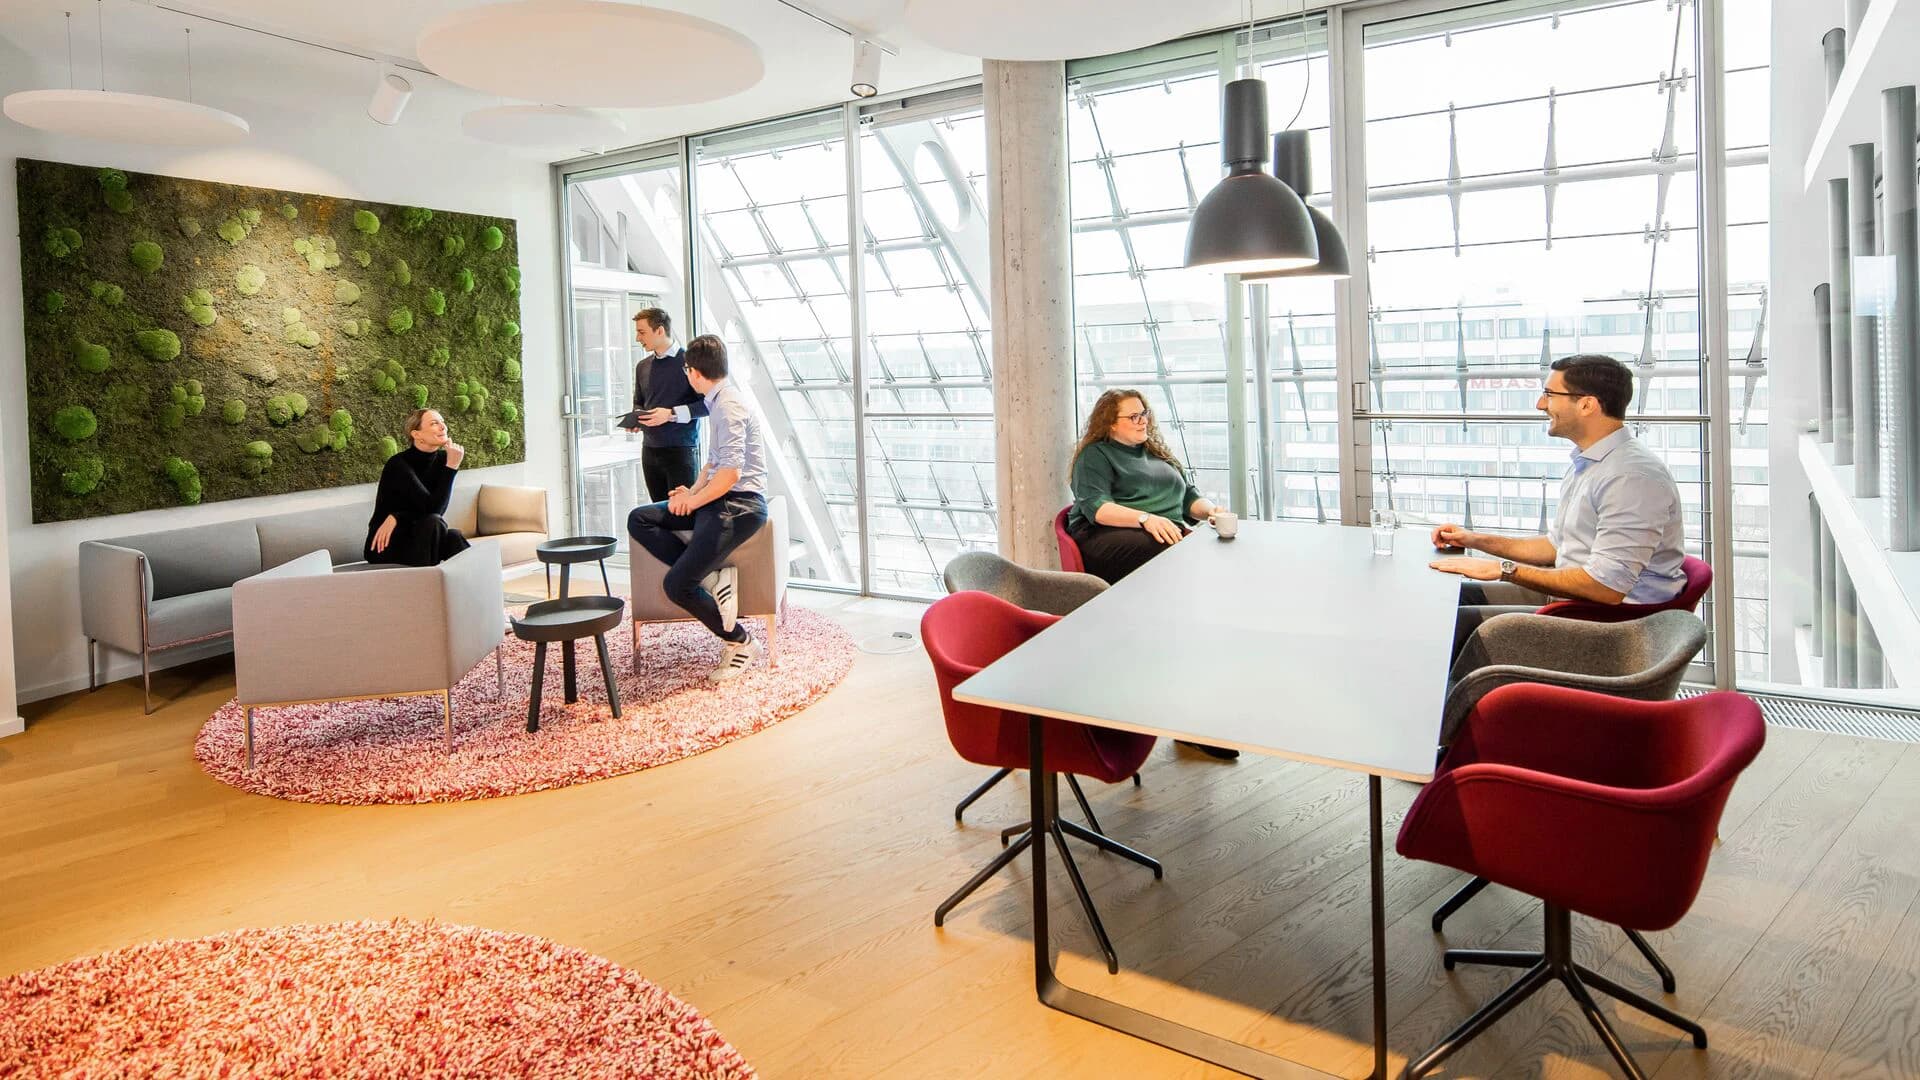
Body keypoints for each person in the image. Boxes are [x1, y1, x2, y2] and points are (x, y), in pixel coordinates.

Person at [1428, 354, 1687, 656]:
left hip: (1611, 626)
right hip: (1574, 599)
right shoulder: (1592, 463)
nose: (1541, 404)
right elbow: (1557, 546)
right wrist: (1473, 540)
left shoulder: (1631, 477)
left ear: (1587, 405)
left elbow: (1605, 587)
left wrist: (1503, 570)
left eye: (1550, 394)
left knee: (1447, 629)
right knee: (1450, 601)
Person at [1067, 388, 1238, 760]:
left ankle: (1196, 706)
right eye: (1133, 416)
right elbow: (1096, 508)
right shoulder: (1095, 456)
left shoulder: (1156, 452)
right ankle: (1190, 718)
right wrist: (1146, 518)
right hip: (1107, 538)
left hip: (1162, 537)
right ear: (1110, 423)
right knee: (1179, 562)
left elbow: (1188, 496)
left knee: (1207, 561)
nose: (1143, 420)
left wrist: (1211, 512)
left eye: (1144, 413)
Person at [626, 334, 770, 682]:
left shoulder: (729, 406)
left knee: (677, 585)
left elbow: (731, 474)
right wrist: (689, 492)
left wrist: (692, 501)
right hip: (718, 498)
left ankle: (741, 642)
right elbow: (713, 463)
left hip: (739, 506)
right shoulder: (717, 402)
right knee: (640, 518)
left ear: (693, 372)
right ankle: (712, 578)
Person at [620, 307, 708, 502]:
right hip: (649, 450)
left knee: (682, 511)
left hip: (681, 450)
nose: (637, 338)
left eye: (642, 332)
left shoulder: (690, 363)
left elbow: (706, 405)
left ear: (659, 330)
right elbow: (639, 402)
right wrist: (637, 418)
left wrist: (670, 414)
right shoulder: (642, 366)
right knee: (657, 509)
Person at [366, 408, 471, 567]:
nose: (443, 427)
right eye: (434, 423)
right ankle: (429, 581)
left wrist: (398, 516)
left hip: (423, 533)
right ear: (416, 434)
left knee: (454, 537)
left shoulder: (444, 459)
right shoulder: (399, 464)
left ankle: (484, 581)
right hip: (386, 542)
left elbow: (433, 509)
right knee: (433, 522)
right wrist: (451, 468)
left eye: (442, 422)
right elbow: (434, 510)